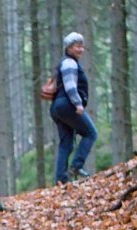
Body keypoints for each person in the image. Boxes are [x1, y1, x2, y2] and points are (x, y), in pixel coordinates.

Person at [50, 32, 98, 185]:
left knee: (66, 143)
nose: (81, 49)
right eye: (77, 46)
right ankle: (77, 166)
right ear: (69, 48)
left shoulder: (64, 62)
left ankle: (61, 179)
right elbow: (70, 86)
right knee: (90, 133)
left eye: (82, 46)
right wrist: (78, 103)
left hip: (57, 107)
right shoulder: (70, 63)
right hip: (67, 105)